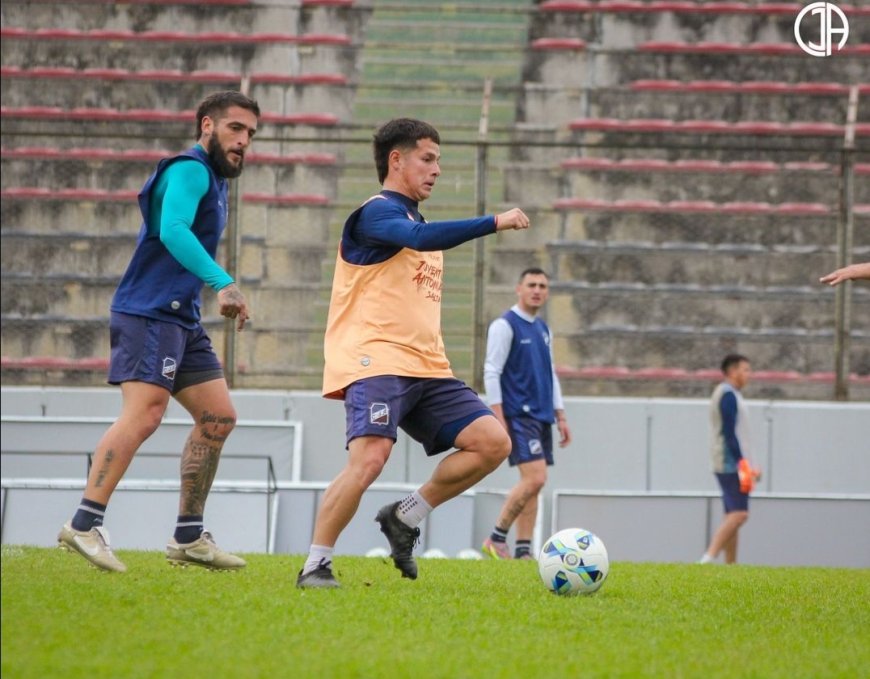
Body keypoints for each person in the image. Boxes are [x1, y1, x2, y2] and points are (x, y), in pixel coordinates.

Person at [296, 117, 531, 588]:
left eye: (439, 160)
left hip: (427, 366)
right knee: (369, 460)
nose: (437, 169)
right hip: (376, 358)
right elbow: (421, 240)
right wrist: (495, 221)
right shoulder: (377, 214)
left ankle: (405, 517)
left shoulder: (412, 221)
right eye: (428, 158)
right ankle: (315, 565)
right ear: (396, 160)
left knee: (493, 443)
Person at [57, 91, 260, 572]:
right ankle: (83, 525)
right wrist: (223, 283)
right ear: (207, 126)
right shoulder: (189, 169)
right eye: (235, 128)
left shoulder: (213, 179)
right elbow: (171, 230)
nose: (244, 141)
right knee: (145, 414)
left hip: (180, 318)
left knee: (217, 417)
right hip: (149, 312)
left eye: (251, 133)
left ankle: (188, 537)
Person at [480, 268, 571, 560]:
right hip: (519, 414)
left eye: (543, 285)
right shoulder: (504, 326)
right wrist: (498, 417)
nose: (537, 290)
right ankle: (495, 538)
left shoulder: (543, 329)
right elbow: (491, 372)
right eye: (531, 284)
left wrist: (561, 414)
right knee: (535, 478)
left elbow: (550, 373)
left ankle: (522, 550)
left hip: (542, 415)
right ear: (519, 288)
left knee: (534, 484)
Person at [699, 354, 760, 565]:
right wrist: (742, 462)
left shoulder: (732, 394)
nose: (749, 375)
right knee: (740, 514)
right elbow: (729, 431)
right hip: (728, 461)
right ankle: (708, 558)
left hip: (731, 460)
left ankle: (731, 565)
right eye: (746, 370)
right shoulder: (727, 395)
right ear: (733, 371)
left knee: (731, 515)